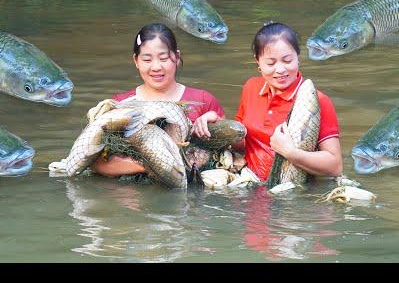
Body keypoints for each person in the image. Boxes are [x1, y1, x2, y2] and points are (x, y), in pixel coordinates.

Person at [192, 22, 342, 181]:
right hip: (249, 182)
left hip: (292, 190)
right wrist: (215, 124)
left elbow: (335, 166)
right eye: (271, 63)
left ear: (298, 57)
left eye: (287, 60)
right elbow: (243, 142)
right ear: (258, 61)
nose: (280, 70)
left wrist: (290, 153)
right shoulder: (251, 87)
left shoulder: (315, 101)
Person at [91, 22, 225, 178]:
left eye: (163, 58)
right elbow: (97, 164)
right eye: (147, 60)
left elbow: (236, 147)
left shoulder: (203, 100)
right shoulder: (120, 104)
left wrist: (215, 119)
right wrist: (152, 165)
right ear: (136, 60)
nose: (156, 67)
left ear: (177, 57)